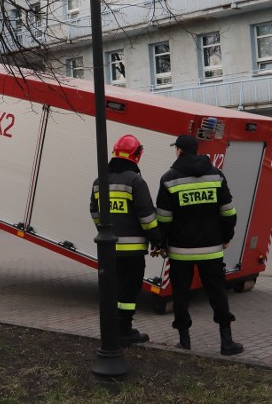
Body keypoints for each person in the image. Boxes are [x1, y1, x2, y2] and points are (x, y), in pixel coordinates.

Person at [155, 134, 243, 355]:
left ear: (180, 150)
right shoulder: (216, 175)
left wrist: (161, 243)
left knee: (181, 296)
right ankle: (227, 342)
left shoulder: (169, 179)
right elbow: (229, 213)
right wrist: (226, 237)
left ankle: (184, 342)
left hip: (180, 251)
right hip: (211, 249)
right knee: (217, 293)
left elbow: (164, 218)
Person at [89, 134, 163, 347]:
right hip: (132, 252)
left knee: (112, 289)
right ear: (136, 155)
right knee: (128, 291)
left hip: (108, 249)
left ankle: (113, 329)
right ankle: (124, 331)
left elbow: (94, 211)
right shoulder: (135, 181)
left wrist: (103, 230)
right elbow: (147, 217)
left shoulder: (99, 181)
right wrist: (157, 240)